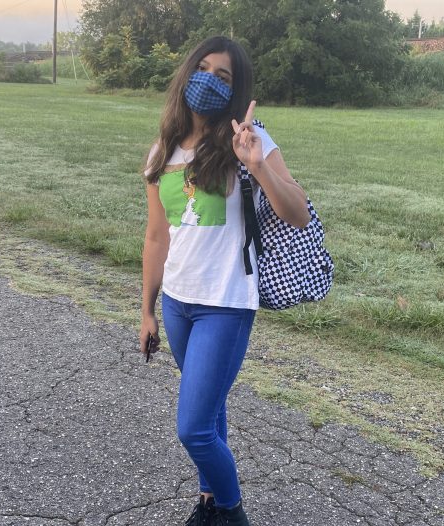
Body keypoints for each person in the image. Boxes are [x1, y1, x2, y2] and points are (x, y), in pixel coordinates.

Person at [140, 35, 309, 526]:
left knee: (193, 428)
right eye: (203, 69)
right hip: (177, 302)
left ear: (236, 90)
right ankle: (209, 503)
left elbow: (297, 213)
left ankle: (232, 514)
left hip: (225, 303)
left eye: (223, 76)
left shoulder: (249, 141)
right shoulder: (162, 151)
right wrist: (147, 310)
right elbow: (156, 236)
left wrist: (257, 166)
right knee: (211, 413)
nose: (209, 80)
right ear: (186, 73)